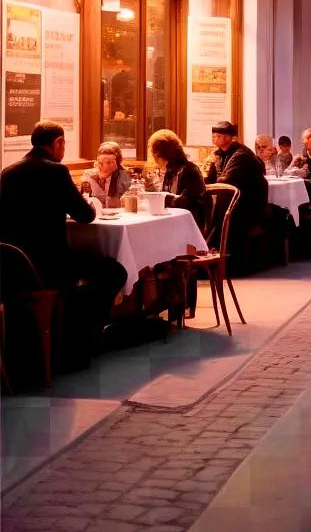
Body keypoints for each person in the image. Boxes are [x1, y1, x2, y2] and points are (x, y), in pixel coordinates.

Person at [0, 120, 127, 367]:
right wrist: (88, 204)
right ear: (58, 143)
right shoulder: (55, 171)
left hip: (12, 266)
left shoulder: (8, 172)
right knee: (113, 270)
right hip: (49, 264)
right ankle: (80, 337)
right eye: (64, 144)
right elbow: (85, 215)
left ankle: (68, 326)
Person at [204, 121, 268, 251]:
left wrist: (213, 170)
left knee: (216, 211)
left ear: (226, 138)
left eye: (216, 135)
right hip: (234, 200)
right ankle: (208, 249)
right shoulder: (220, 154)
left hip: (248, 203)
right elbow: (210, 180)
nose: (213, 138)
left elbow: (226, 181)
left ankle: (218, 253)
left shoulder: (241, 154)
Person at [149, 128, 210, 229]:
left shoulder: (189, 170)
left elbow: (188, 202)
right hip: (176, 221)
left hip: (189, 225)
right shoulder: (171, 170)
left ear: (158, 154)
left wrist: (162, 199)